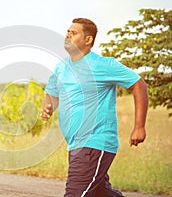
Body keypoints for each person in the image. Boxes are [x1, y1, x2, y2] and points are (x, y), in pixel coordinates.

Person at [41, 18, 148, 197]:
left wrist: (139, 126)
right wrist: (48, 107)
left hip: (94, 143)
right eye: (67, 32)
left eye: (73, 33)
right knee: (101, 193)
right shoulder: (61, 67)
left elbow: (139, 85)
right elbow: (52, 93)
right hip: (75, 144)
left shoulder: (104, 65)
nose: (67, 35)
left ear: (88, 40)